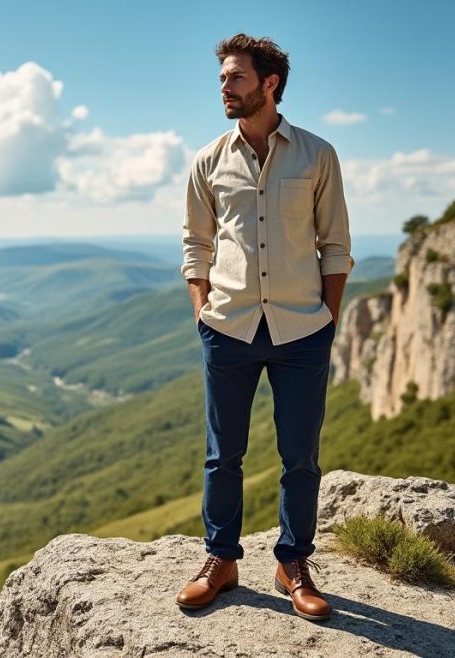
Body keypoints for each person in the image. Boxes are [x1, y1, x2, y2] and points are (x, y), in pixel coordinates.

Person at [173, 33, 353, 622]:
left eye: (235, 78)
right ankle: (221, 560)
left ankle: (292, 562)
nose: (224, 87)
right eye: (223, 78)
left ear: (269, 84)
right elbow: (196, 244)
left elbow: (335, 245)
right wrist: (202, 307)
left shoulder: (317, 155)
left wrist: (325, 317)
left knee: (300, 456)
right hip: (228, 328)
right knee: (222, 455)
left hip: (303, 331)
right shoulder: (208, 160)